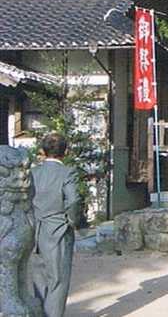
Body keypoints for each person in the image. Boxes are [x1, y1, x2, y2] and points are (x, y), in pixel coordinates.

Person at [31, 132, 81, 317]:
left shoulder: (33, 172)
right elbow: (74, 199)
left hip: (35, 229)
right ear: (65, 151)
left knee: (38, 278)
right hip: (58, 228)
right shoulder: (67, 172)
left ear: (43, 151)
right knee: (58, 278)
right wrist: (71, 220)